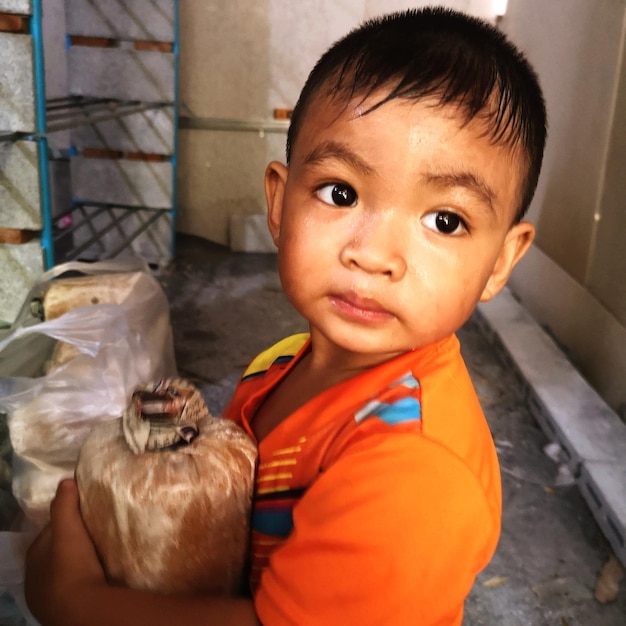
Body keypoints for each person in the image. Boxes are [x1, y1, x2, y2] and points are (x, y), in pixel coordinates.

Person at [24, 6, 546, 626]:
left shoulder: (415, 471)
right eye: (341, 192)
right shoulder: (278, 364)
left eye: (446, 221)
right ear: (279, 202)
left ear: (500, 262)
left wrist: (79, 603)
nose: (373, 255)